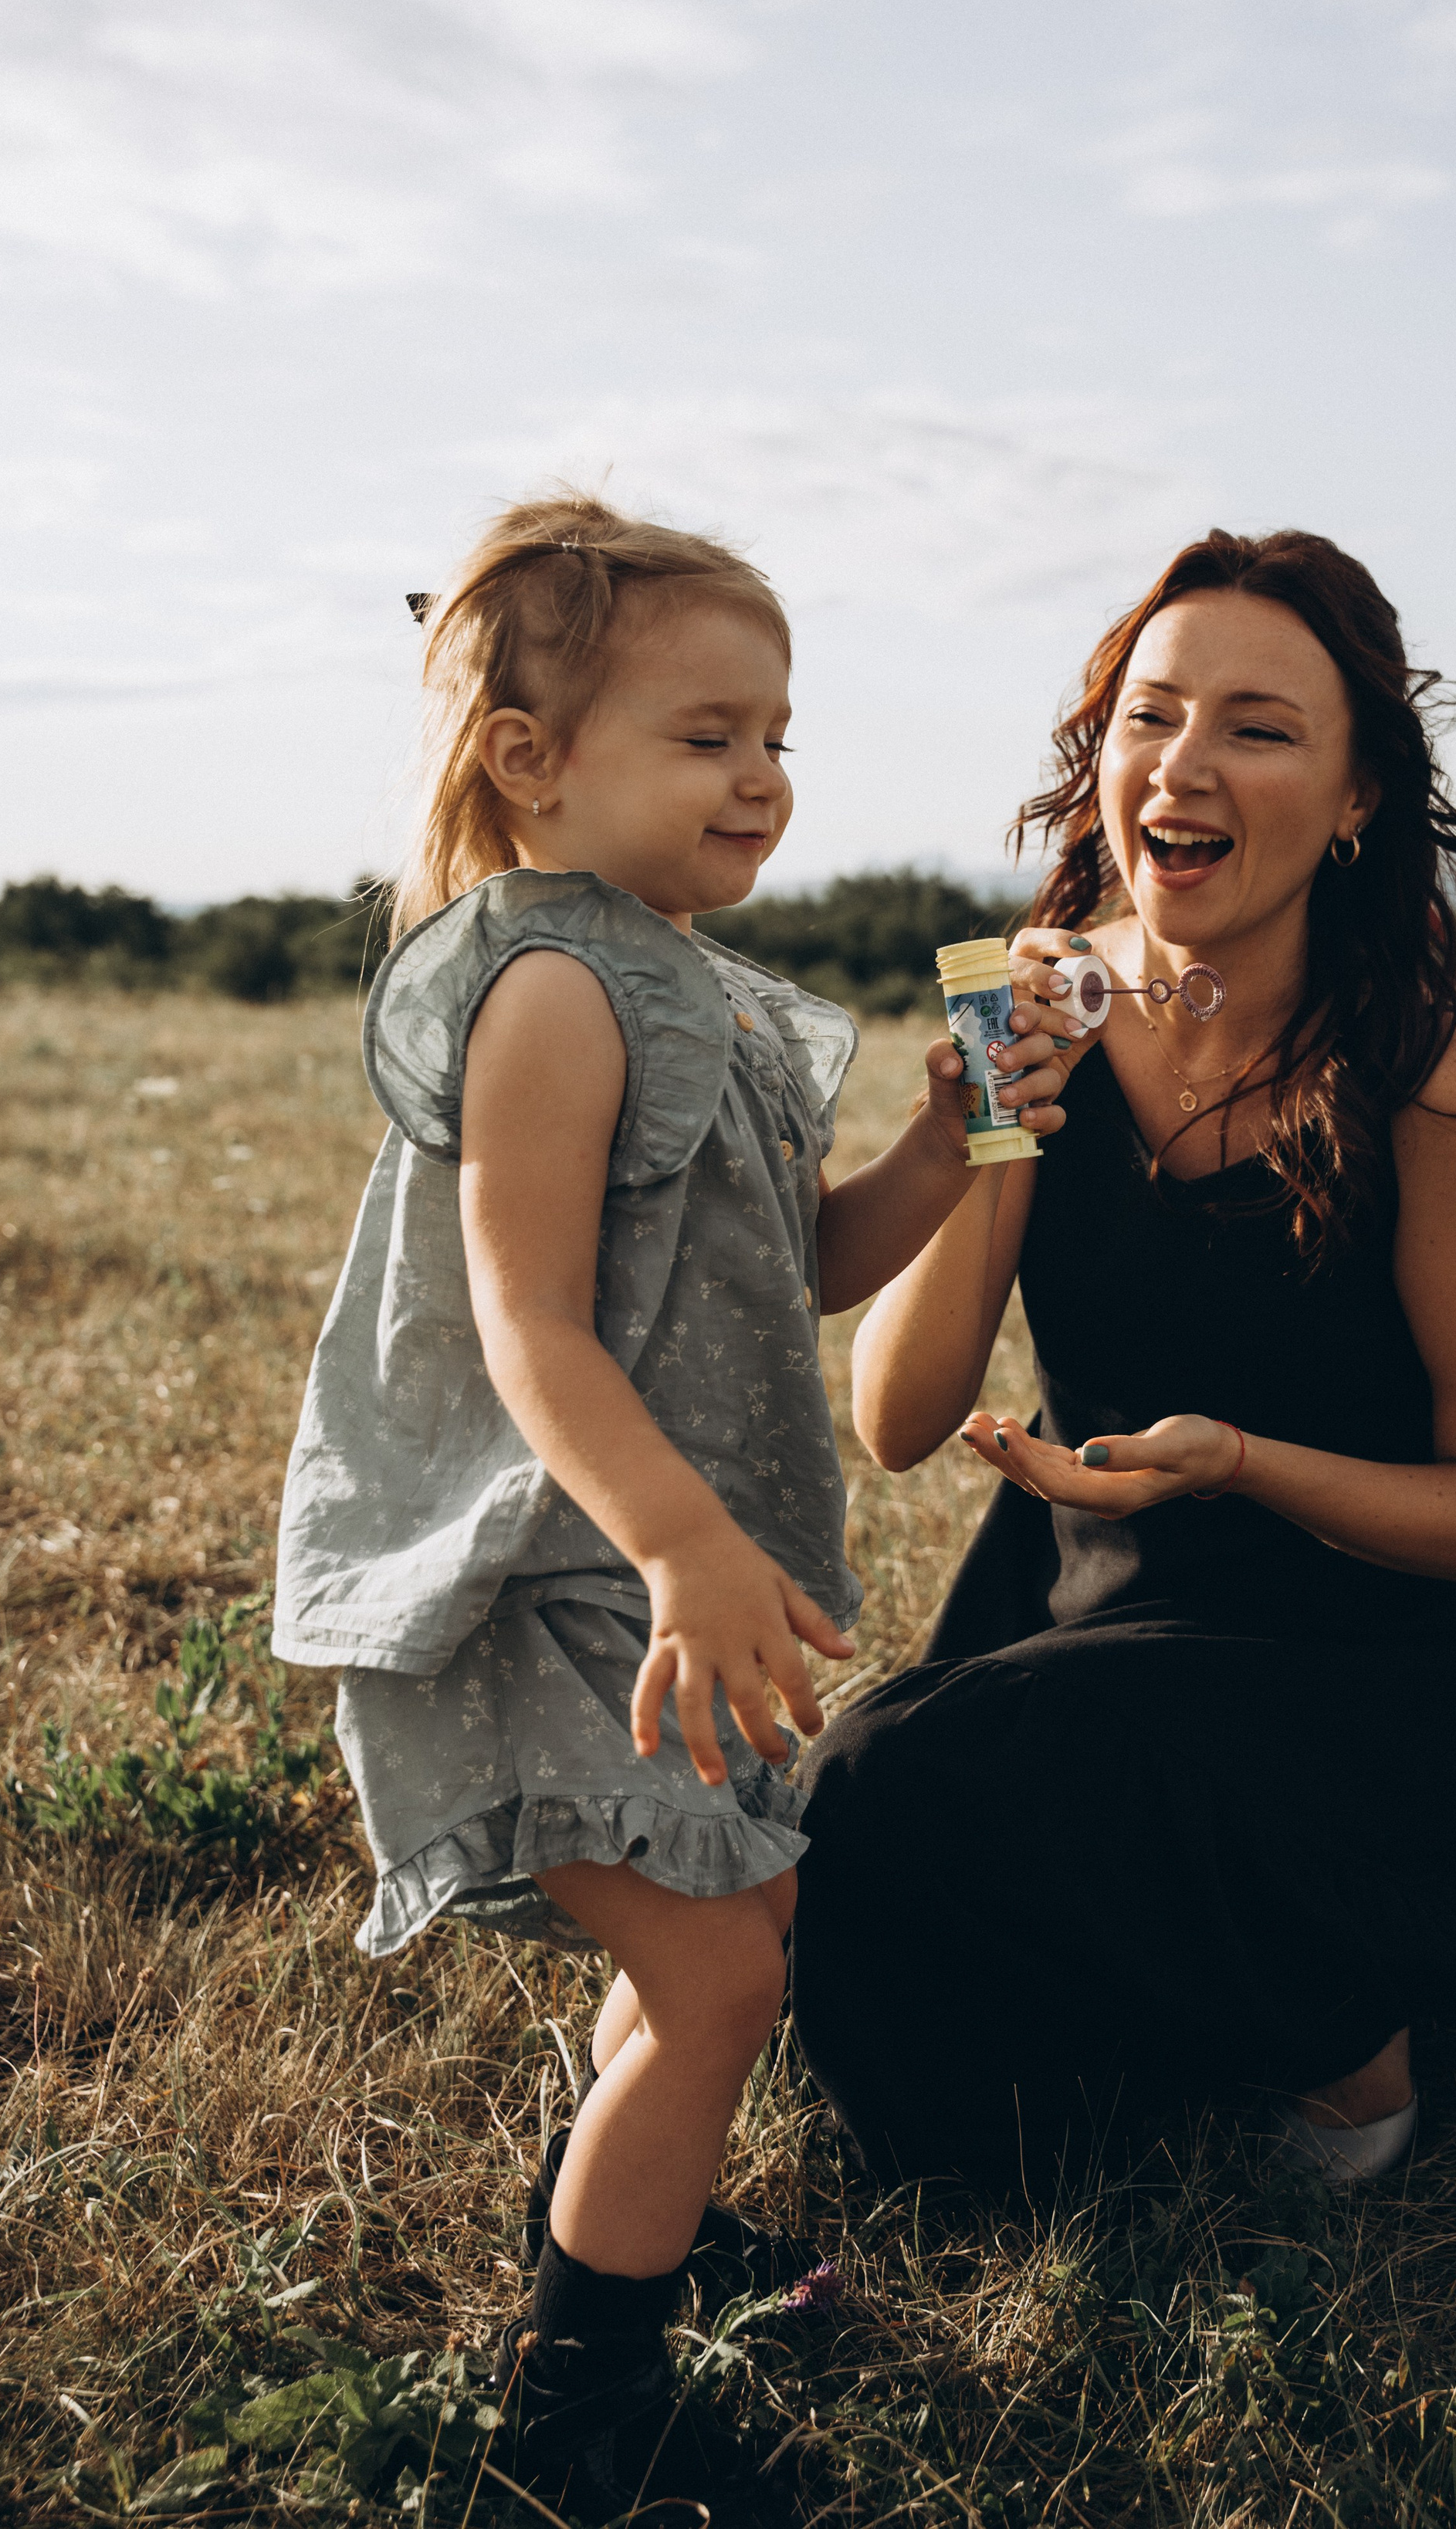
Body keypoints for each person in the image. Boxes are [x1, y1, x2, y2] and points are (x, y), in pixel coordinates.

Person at [270, 494, 1068, 2520]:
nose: (763, 775)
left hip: (643, 1576)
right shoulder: (548, 987)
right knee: (721, 1981)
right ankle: (573, 2423)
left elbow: (811, 1260)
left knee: (739, 1925)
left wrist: (964, 1125)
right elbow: (526, 1320)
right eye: (706, 734)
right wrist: (684, 1542)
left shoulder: (697, 986)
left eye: (777, 733)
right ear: (535, 759)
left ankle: (608, 2228)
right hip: (540, 1576)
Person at [791, 527, 1456, 2197]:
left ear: (1351, 799)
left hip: (1349, 1646)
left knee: (876, 1784)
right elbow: (895, 1421)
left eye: (1255, 728)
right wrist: (990, 1121)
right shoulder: (1023, 1000)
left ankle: (1349, 2060)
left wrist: (1242, 1460)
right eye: (1147, 715)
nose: (1180, 767)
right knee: (839, 1879)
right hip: (1089, 1600)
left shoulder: (1427, 1080)